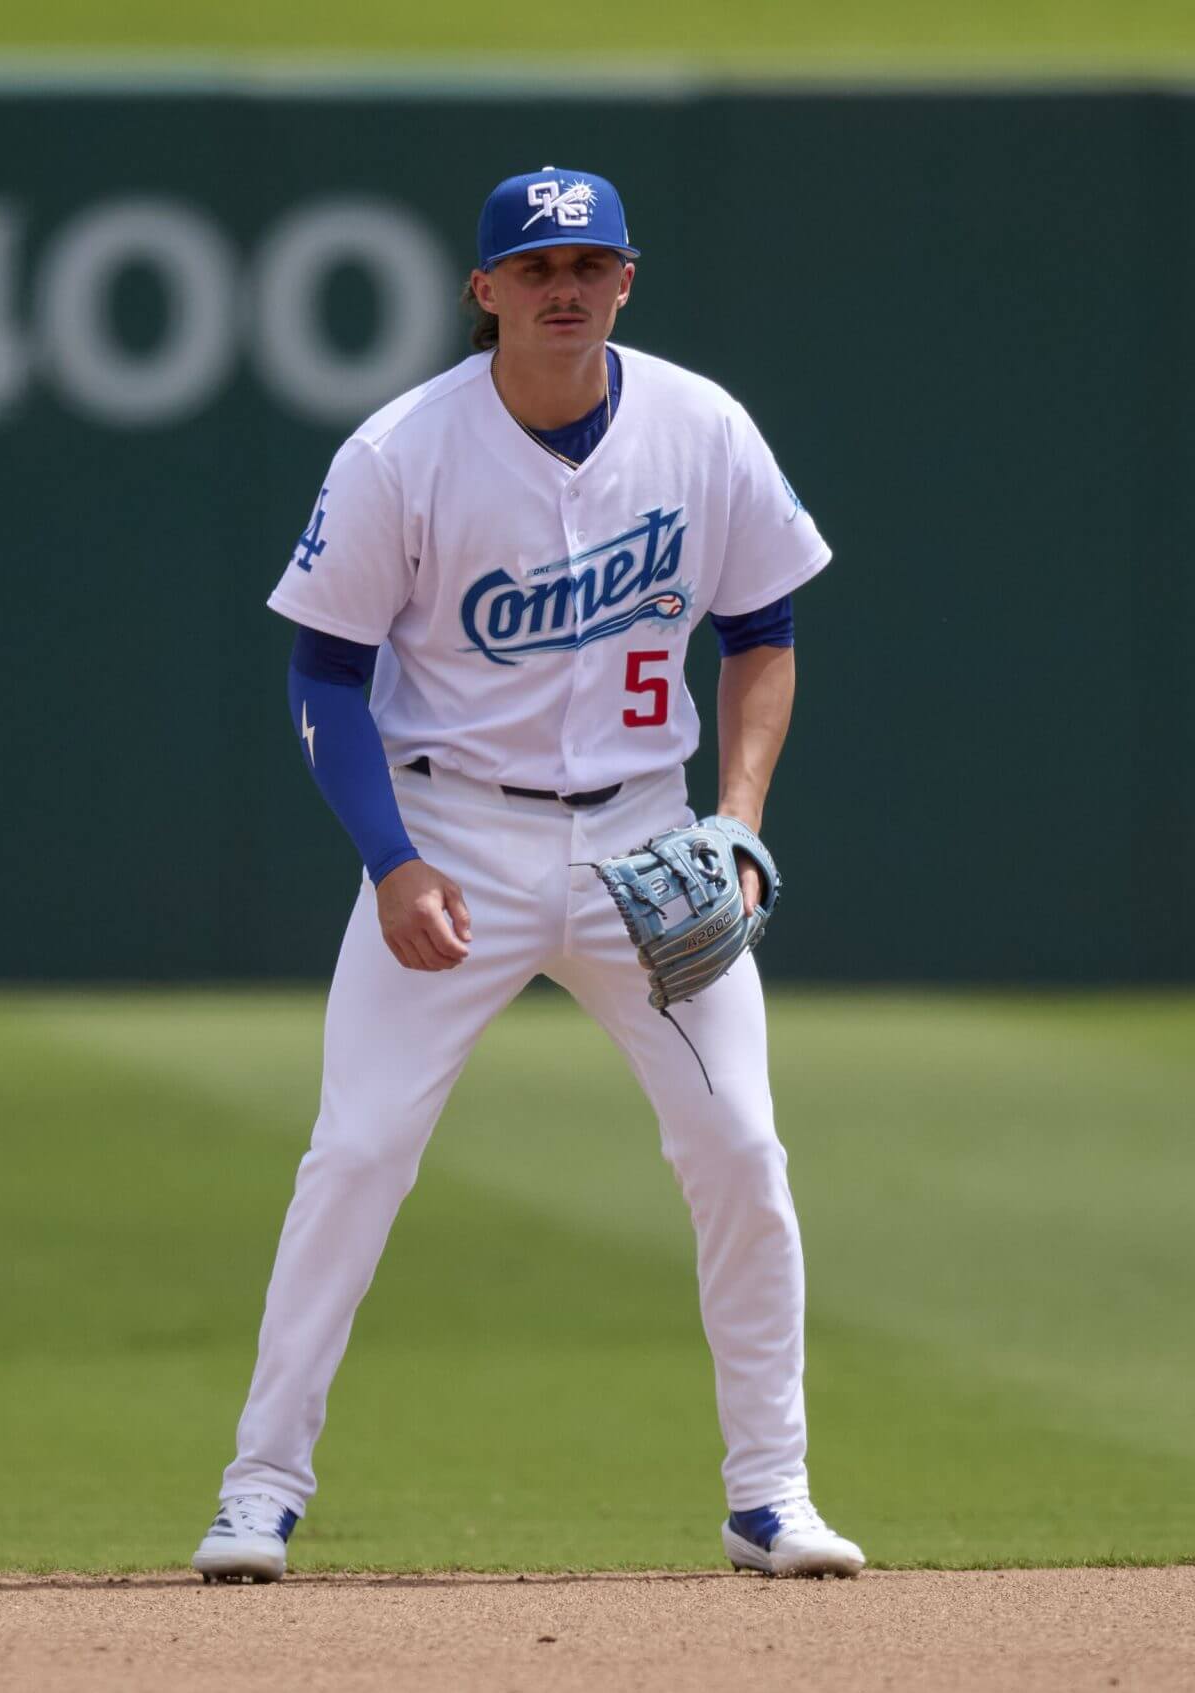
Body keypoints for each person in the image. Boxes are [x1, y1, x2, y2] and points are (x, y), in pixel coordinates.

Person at [192, 165, 861, 1583]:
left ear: (627, 280)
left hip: (647, 840)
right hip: (456, 839)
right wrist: (391, 861)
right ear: (484, 291)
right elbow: (323, 676)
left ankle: (773, 1496)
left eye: (592, 265)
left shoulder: (704, 428)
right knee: (358, 1151)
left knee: (740, 1149)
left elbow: (765, 630)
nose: (567, 289)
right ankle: (259, 1489)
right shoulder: (400, 454)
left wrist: (738, 820)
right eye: (537, 269)